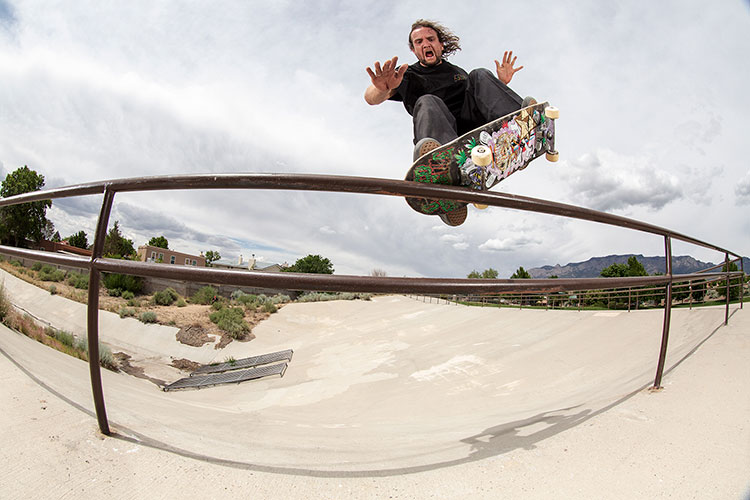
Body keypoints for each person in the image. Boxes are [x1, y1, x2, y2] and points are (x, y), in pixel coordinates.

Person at [365, 19, 532, 161]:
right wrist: (383, 88)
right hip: (443, 140)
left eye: (430, 39)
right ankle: (438, 160)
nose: (425, 44)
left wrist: (500, 84)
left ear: (441, 45)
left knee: (479, 74)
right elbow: (371, 98)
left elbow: (481, 99)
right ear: (413, 49)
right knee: (427, 100)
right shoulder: (406, 75)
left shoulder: (457, 72)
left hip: (476, 132)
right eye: (419, 42)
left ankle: (521, 127)